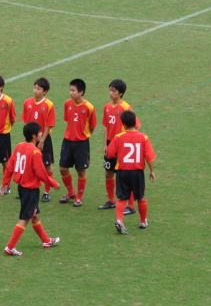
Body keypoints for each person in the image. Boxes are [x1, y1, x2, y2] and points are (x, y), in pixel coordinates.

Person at [0, 122, 60, 256]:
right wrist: (53, 183)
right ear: (34, 136)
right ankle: (10, 247)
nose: (41, 134)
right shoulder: (35, 152)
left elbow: (10, 166)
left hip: (21, 188)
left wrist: (5, 183)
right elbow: (41, 173)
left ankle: (46, 240)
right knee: (26, 218)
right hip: (30, 189)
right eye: (39, 132)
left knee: (35, 215)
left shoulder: (19, 146)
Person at [106, 111, 156, 234]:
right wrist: (152, 171)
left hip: (122, 172)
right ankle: (143, 221)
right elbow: (148, 156)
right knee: (140, 197)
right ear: (135, 122)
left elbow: (110, 153)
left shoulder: (118, 137)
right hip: (137, 172)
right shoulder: (143, 137)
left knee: (122, 198)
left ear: (123, 124)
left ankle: (119, 220)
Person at [99, 79, 140, 214]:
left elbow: (136, 126)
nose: (111, 93)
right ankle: (111, 201)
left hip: (122, 146)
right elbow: (106, 126)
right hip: (111, 144)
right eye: (110, 90)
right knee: (108, 172)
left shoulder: (125, 108)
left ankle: (131, 206)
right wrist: (105, 144)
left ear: (121, 93)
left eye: (114, 91)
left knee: (124, 175)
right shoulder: (106, 107)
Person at [58, 79, 97, 208]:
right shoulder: (67, 104)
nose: (70, 93)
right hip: (68, 141)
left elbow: (92, 126)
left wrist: (84, 135)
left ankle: (79, 197)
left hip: (81, 143)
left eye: (73, 90)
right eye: (70, 90)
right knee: (63, 168)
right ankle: (71, 193)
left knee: (81, 171)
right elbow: (67, 120)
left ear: (81, 92)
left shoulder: (89, 107)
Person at [20, 77, 56, 202]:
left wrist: (42, 140)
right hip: (30, 139)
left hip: (43, 140)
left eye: (39, 89)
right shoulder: (27, 102)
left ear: (44, 91)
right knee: (28, 164)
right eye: (35, 87)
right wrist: (26, 136)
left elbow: (49, 124)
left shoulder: (48, 105)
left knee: (46, 166)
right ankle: (25, 188)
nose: (35, 90)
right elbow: (25, 121)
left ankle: (47, 192)